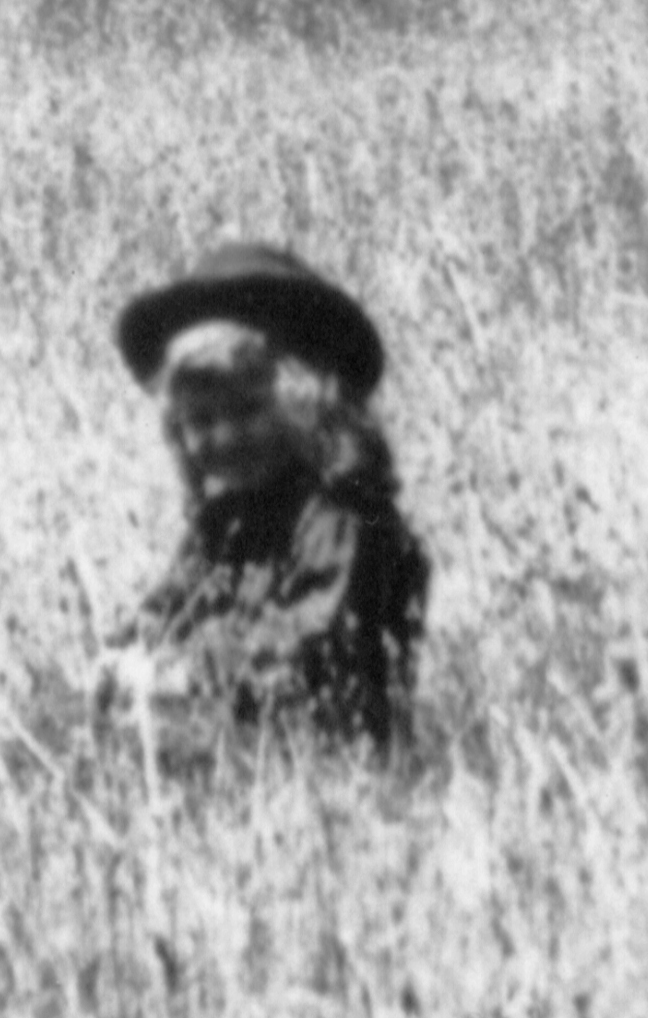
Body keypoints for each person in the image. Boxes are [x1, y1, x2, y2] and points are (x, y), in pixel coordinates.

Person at [96, 241, 429, 752]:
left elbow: (310, 640)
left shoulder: (343, 518)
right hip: (229, 742)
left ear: (306, 403)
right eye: (201, 421)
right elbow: (171, 607)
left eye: (248, 410)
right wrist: (125, 653)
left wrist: (186, 670)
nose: (225, 437)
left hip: (329, 750)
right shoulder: (222, 526)